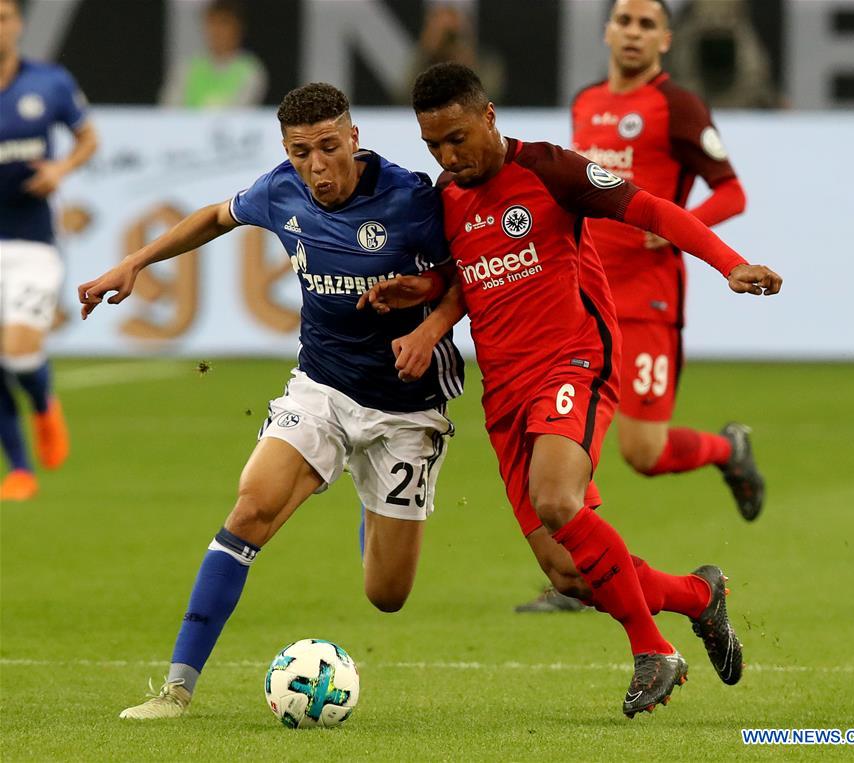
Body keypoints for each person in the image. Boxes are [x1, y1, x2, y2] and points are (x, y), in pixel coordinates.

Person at [359, 62, 781, 717]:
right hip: (504, 395)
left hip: (573, 361)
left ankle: (652, 648)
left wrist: (729, 264)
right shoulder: (446, 196)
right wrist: (423, 303)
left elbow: (654, 209)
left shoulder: (551, 169)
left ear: (488, 115)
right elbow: (465, 279)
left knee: (555, 497)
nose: (448, 155)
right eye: (433, 146)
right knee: (567, 573)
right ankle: (700, 598)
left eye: (457, 137)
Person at [78, 82, 464, 719]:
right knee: (252, 507)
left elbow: (466, 275)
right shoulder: (280, 188)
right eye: (301, 151)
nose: (316, 166)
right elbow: (214, 217)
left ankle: (369, 494)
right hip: (322, 386)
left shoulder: (413, 199)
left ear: (355, 139)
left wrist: (427, 324)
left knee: (387, 595)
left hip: (405, 408)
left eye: (329, 148)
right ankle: (176, 690)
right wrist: (136, 262)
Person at [517, 0, 764, 614]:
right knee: (567, 431)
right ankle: (581, 571)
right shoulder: (585, 101)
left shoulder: (676, 106)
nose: (633, 32)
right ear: (606, 31)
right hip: (580, 296)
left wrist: (678, 227)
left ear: (665, 39)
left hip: (649, 297)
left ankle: (728, 450)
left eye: (646, 24)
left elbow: (732, 191)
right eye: (624, 21)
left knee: (643, 454)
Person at [0, 0, 98, 501]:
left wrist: (60, 170)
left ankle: (42, 404)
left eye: (2, 16)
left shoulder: (49, 82)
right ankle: (19, 469)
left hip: (32, 242)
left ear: (16, 24)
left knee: (17, 356)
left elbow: (88, 138)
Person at [159, 0, 268, 108]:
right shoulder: (188, 67)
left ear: (238, 28)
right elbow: (169, 106)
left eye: (224, 24)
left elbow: (241, 109)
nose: (217, 31)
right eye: (212, 24)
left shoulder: (251, 70)